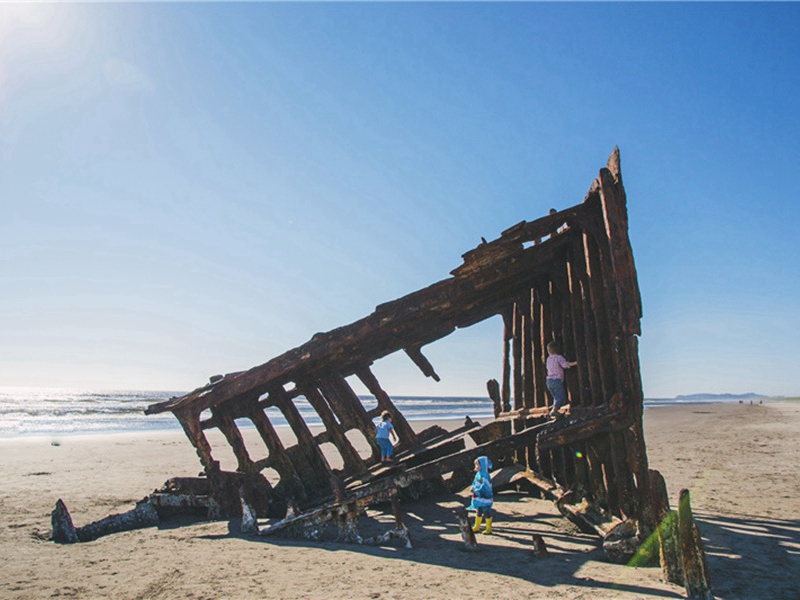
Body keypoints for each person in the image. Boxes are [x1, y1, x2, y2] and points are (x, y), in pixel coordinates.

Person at [545, 341, 577, 418]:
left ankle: (555, 411)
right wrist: (576, 363)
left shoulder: (548, 359)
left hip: (549, 381)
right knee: (561, 397)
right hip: (556, 380)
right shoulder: (559, 357)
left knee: (556, 398)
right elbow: (565, 365)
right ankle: (554, 411)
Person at [468, 456, 494, 534]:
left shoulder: (485, 475)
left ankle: (489, 528)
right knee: (478, 511)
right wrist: (472, 487)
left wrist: (477, 490)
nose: (476, 467)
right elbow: (474, 482)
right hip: (478, 496)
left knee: (486, 512)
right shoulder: (478, 474)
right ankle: (477, 526)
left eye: (478, 465)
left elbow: (485, 486)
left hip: (485, 496)